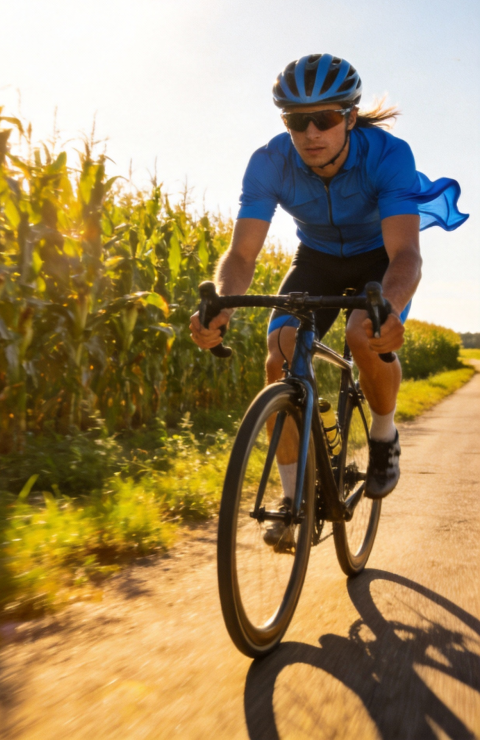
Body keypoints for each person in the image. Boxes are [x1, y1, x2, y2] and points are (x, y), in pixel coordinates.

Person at [189, 53, 467, 548]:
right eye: (298, 121)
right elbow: (242, 253)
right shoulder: (269, 161)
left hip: (376, 259)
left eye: (327, 118)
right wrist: (224, 306)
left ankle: (383, 437)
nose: (311, 132)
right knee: (279, 359)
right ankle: (293, 497)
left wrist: (392, 305)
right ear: (285, 123)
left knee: (364, 334)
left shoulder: (387, 155)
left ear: (350, 118)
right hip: (315, 256)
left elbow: (405, 254)